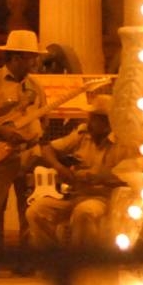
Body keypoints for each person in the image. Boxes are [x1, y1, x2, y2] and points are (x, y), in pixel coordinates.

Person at [0, 29, 50, 255]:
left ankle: (25, 260)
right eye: (31, 57)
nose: (35, 62)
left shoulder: (36, 87)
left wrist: (32, 135)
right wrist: (3, 132)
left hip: (28, 154)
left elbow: (44, 119)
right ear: (16, 58)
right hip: (0, 155)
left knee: (29, 207)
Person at [30, 96, 132, 250]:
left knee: (84, 211)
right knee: (36, 211)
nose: (90, 121)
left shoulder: (123, 143)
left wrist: (96, 177)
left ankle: (81, 259)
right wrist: (60, 168)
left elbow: (129, 175)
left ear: (108, 121)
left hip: (104, 198)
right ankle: (51, 257)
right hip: (75, 195)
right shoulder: (82, 134)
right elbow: (47, 149)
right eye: (91, 116)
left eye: (96, 118)